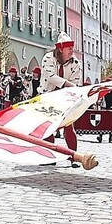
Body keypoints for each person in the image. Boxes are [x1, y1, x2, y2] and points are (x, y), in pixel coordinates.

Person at [39, 32, 82, 166]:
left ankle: (73, 157)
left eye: (72, 48)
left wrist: (71, 89)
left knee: (69, 128)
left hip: (66, 99)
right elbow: (51, 76)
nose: (71, 51)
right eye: (69, 48)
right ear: (60, 49)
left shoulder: (75, 63)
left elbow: (75, 80)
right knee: (48, 129)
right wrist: (68, 84)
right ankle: (49, 157)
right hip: (48, 96)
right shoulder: (48, 58)